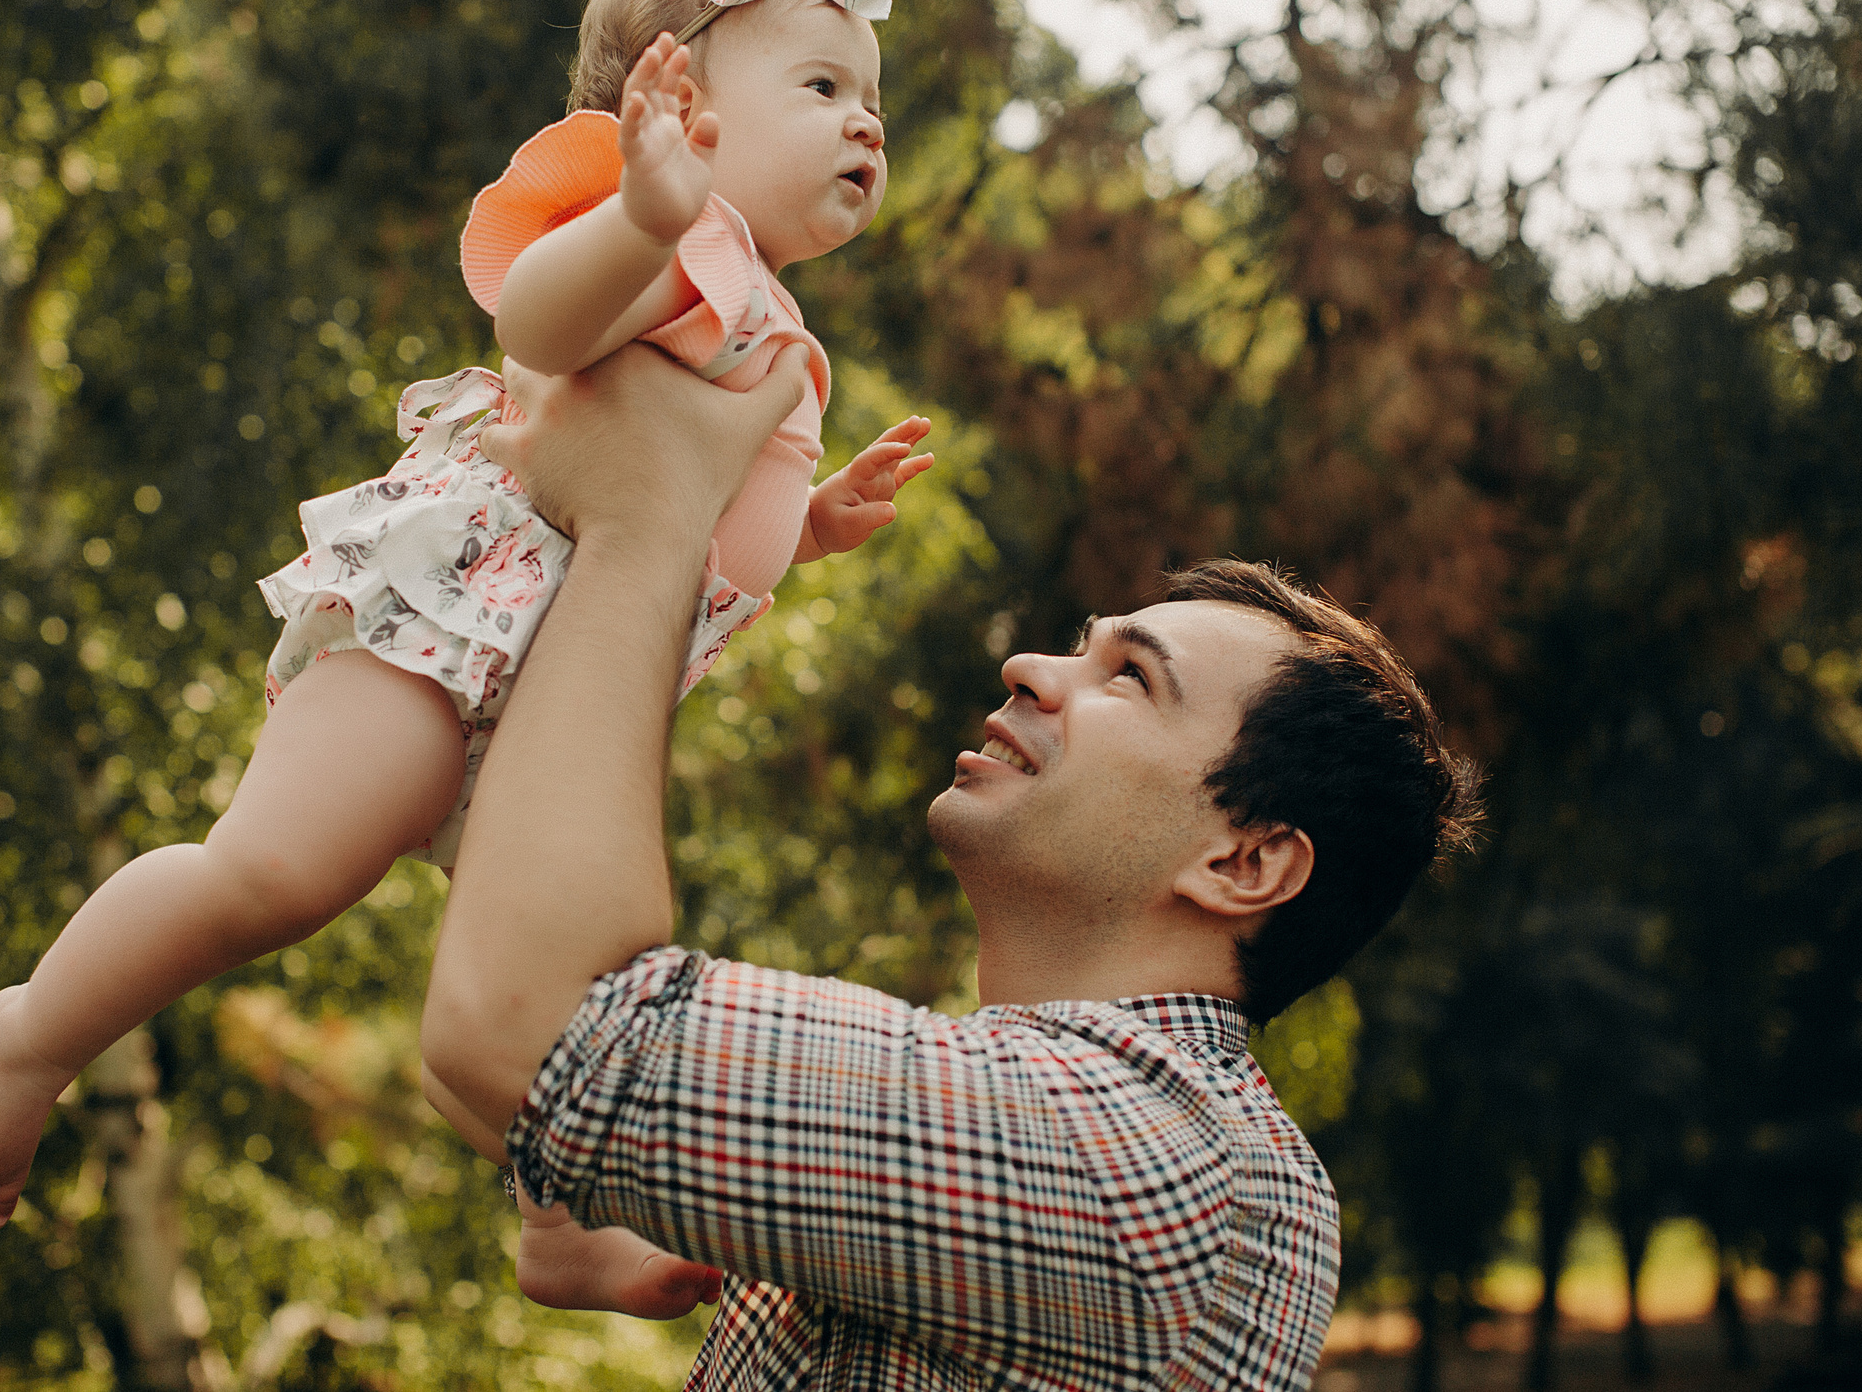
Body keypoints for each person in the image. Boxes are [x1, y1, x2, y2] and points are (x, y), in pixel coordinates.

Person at [0, 0, 934, 1318]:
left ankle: (568, 1225)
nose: (866, 124)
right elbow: (540, 331)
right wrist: (640, 211)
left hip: (564, 687)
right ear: (678, 107)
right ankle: (30, 1032)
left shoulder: (765, 313)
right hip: (455, 623)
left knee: (569, 961)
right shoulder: (664, 237)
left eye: (873, 100)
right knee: (273, 875)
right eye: (823, 87)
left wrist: (808, 530)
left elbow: (681, 504)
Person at [421, 344, 1481, 1388]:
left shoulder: (1153, 1159)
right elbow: (513, 1031)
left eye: (1130, 679)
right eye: (1080, 644)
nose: (1030, 667)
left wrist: (644, 516)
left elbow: (531, 1028)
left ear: (1245, 862)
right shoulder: (1039, 1124)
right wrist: (575, 1185)